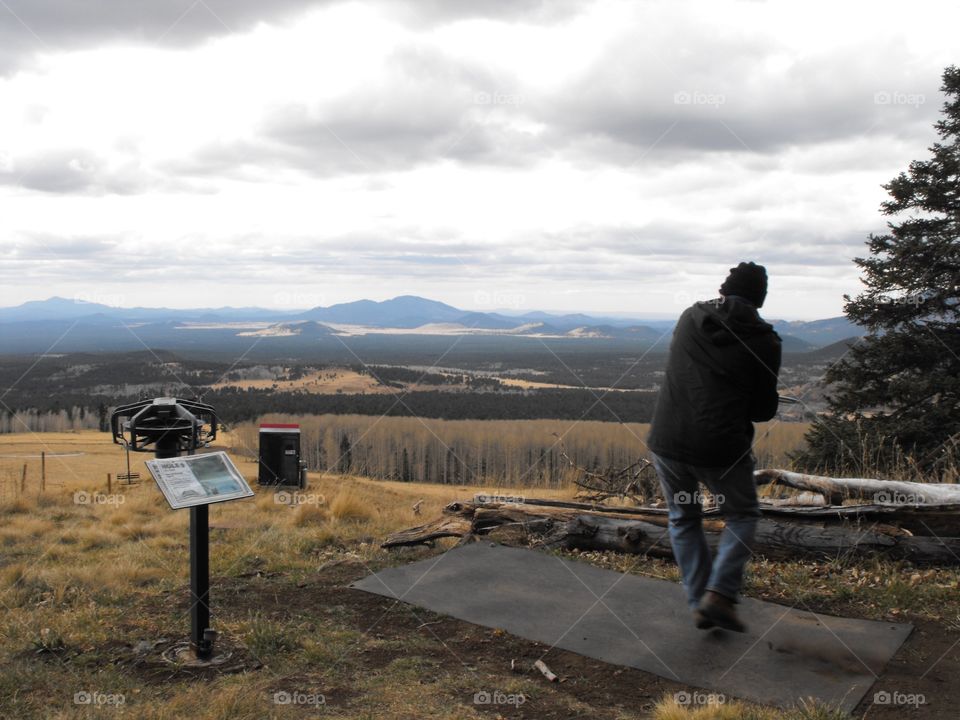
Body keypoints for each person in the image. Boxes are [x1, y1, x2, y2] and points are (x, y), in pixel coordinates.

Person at [647, 262, 781, 632]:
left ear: (723, 291)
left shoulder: (691, 317)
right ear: (760, 299)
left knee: (683, 518)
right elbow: (763, 410)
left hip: (668, 440)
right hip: (720, 448)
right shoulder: (766, 341)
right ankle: (719, 595)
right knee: (742, 515)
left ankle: (699, 601)